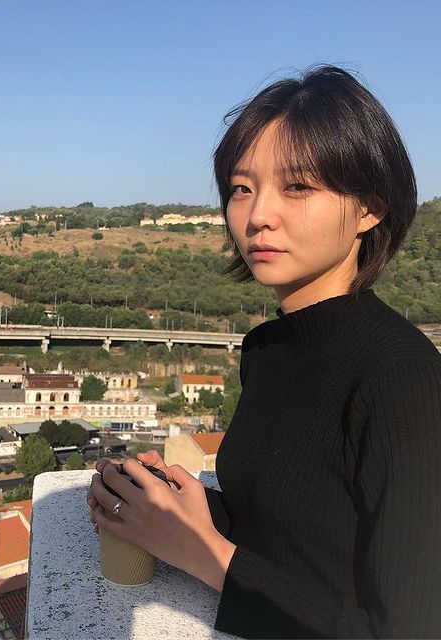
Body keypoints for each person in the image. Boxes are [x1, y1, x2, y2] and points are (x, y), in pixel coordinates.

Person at [87, 65, 441, 638]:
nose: (257, 217)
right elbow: (281, 529)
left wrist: (204, 552)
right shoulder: (266, 349)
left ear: (369, 209)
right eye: (241, 188)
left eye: (297, 186)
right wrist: (162, 500)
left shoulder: (404, 379)